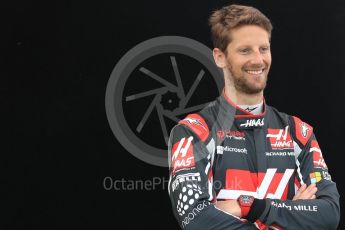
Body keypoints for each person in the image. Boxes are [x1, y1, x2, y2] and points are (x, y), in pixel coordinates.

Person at [167, 4, 340, 230]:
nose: (258, 60)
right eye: (245, 50)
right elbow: (196, 218)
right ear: (220, 57)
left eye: (263, 49)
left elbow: (329, 214)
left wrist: (249, 206)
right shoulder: (193, 131)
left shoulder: (299, 133)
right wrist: (288, 216)